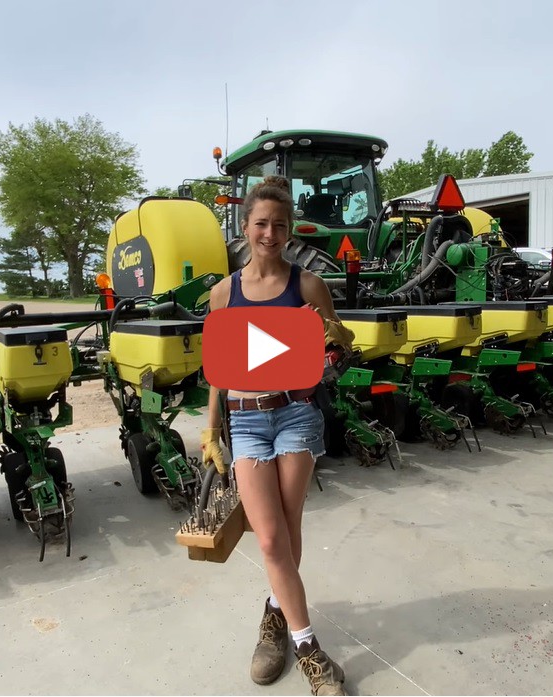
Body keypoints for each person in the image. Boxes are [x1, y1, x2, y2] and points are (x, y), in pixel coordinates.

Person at [201, 175, 353, 696]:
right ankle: (307, 646)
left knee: (285, 528)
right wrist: (210, 428)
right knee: (269, 538)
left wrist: (332, 334)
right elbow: (218, 368)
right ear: (245, 227)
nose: (270, 233)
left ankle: (277, 623)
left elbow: (342, 346)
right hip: (244, 419)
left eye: (280, 225)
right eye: (261, 223)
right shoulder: (225, 292)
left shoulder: (306, 284)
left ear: (290, 231)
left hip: (295, 414)